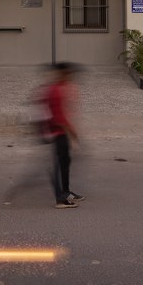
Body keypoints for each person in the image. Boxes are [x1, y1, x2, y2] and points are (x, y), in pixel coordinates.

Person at [41, 62, 84, 208]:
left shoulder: (57, 89)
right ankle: (61, 199)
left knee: (64, 164)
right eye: (67, 73)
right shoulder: (55, 91)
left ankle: (65, 192)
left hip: (59, 132)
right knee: (58, 166)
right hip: (58, 133)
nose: (69, 76)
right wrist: (72, 133)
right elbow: (59, 118)